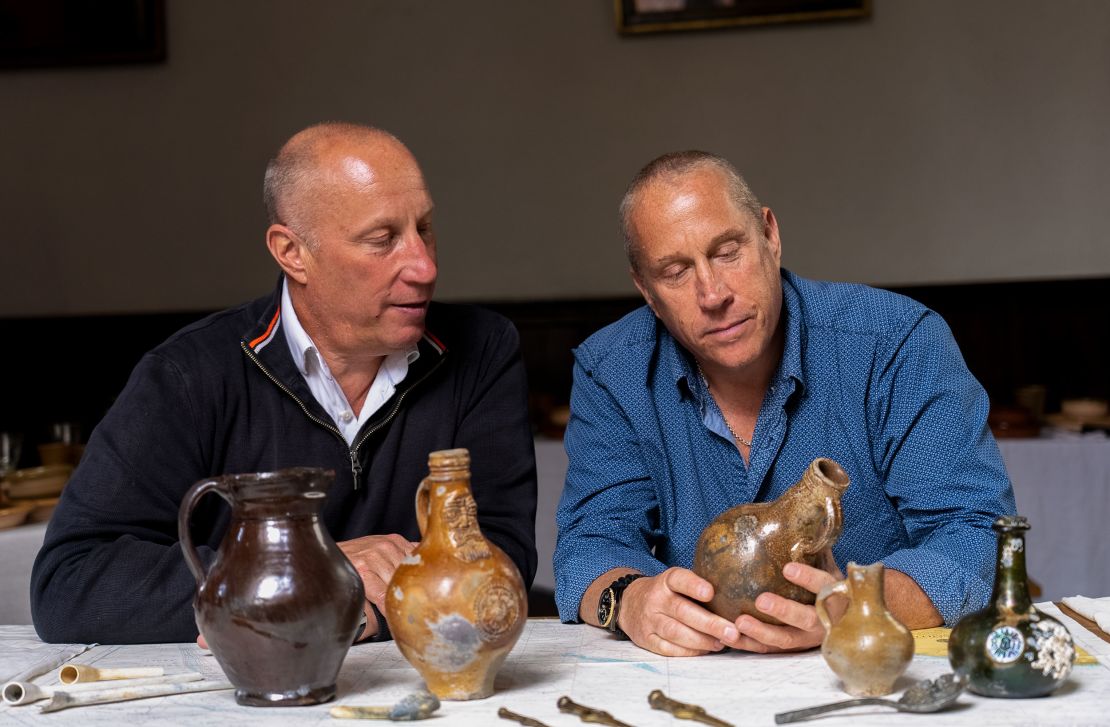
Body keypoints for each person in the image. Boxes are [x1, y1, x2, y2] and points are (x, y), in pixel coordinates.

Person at [31, 123, 537, 644]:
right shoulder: (188, 374)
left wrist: (360, 615)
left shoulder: (482, 349)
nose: (425, 267)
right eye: (382, 240)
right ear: (292, 252)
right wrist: (307, 572)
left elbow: (503, 556)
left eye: (425, 228)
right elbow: (69, 582)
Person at [553, 150, 1015, 657]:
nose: (713, 294)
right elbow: (591, 543)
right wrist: (631, 598)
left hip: (865, 670)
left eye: (727, 251)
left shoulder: (896, 343)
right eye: (676, 272)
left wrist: (854, 604)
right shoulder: (612, 370)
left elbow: (978, 538)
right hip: (698, 677)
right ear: (646, 290)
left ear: (770, 235)